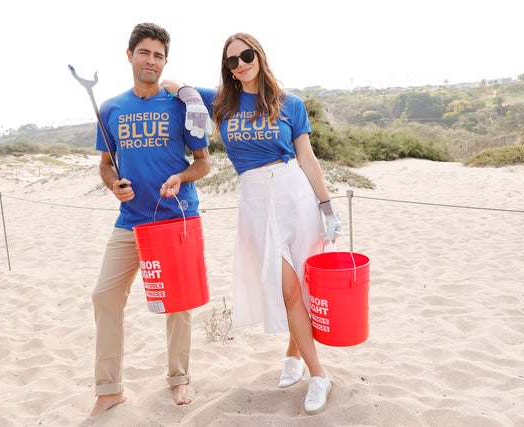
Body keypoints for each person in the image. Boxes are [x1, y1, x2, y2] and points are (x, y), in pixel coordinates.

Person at [162, 32, 342, 415]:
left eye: (246, 55)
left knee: (301, 286)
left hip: (296, 195)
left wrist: (326, 205)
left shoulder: (288, 103)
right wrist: (191, 97)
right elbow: (170, 82)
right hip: (257, 201)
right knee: (287, 287)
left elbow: (307, 159)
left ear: (258, 55)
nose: (241, 64)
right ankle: (319, 374)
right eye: (232, 61)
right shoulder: (221, 102)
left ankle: (299, 361)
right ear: (227, 68)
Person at [88, 22, 211, 417]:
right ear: (130, 55)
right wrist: (113, 185)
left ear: (165, 62)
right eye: (144, 52)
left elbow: (204, 163)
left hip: (175, 219)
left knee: (178, 305)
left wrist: (180, 177)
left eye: (158, 55)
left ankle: (179, 379)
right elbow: (106, 165)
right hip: (130, 222)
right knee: (104, 296)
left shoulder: (179, 105)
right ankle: (109, 389)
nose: (151, 61)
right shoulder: (110, 108)